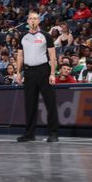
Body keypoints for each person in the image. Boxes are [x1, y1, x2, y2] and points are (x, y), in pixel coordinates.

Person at [16, 11, 59, 142]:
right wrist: (18, 72)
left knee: (50, 103)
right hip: (29, 72)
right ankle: (29, 134)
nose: (33, 21)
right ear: (28, 21)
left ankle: (53, 133)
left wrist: (52, 73)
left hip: (44, 71)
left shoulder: (46, 35)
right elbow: (20, 56)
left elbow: (52, 56)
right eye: (31, 18)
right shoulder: (23, 36)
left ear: (39, 21)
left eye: (35, 18)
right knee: (30, 104)